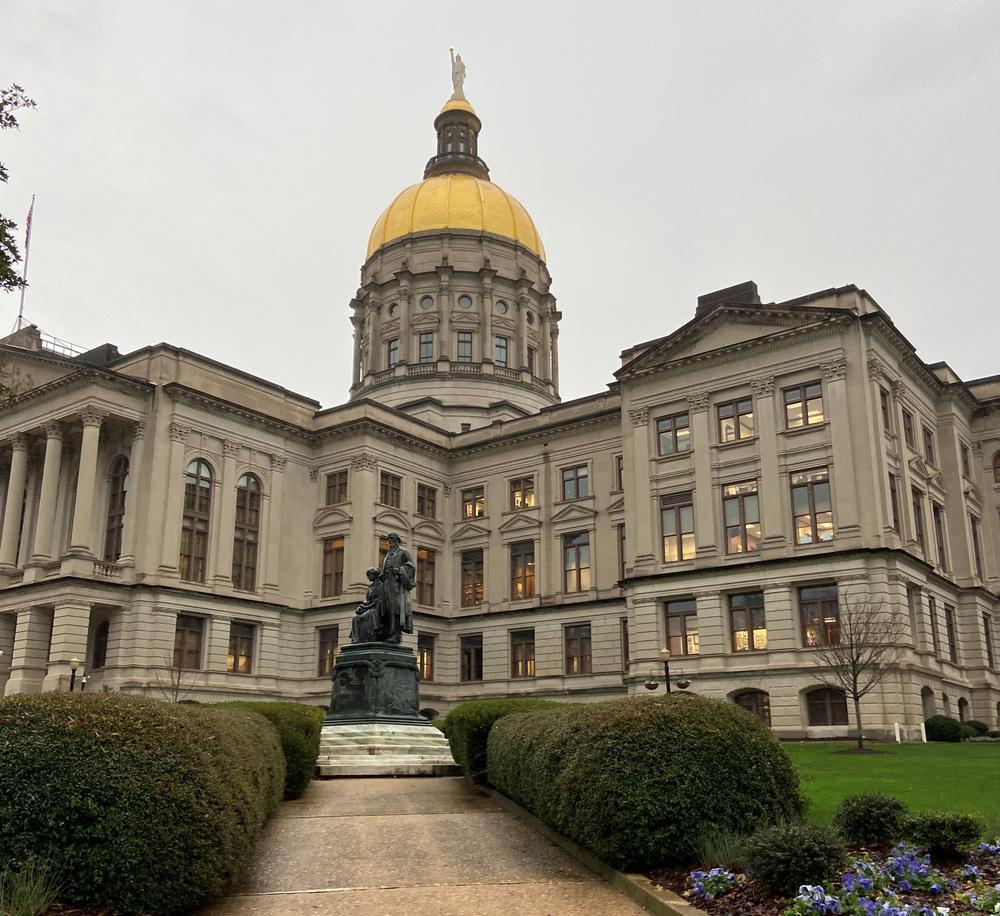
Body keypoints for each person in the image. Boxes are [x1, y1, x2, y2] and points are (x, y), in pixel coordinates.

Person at [380, 532, 415, 643]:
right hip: (387, 585)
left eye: (392, 539)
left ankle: (396, 635)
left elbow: (411, 566)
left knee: (396, 610)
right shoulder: (387, 555)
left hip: (397, 587)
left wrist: (399, 571)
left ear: (397, 541)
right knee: (387, 610)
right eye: (389, 540)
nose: (390, 541)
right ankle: (388, 633)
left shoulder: (403, 552)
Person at [350, 567, 383, 643]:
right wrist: (361, 606)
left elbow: (379, 601)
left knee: (371, 614)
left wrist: (366, 607)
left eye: (369, 575)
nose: (368, 577)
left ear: (375, 575)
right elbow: (367, 600)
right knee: (355, 617)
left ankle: (371, 637)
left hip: (377, 609)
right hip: (369, 607)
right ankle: (356, 639)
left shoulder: (380, 585)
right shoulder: (370, 587)